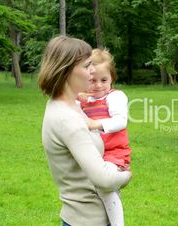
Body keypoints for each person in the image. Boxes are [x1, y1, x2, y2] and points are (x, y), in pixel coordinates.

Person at [38, 36, 131, 226]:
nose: (92, 70)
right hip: (87, 220)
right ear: (66, 70)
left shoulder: (69, 105)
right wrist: (127, 175)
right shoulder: (67, 118)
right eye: (87, 65)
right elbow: (104, 180)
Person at [78, 48, 132, 226]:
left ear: (112, 79)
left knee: (104, 185)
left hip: (113, 153)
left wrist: (95, 123)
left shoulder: (115, 97)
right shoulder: (84, 101)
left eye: (104, 80)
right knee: (96, 190)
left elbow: (121, 121)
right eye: (92, 80)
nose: (98, 85)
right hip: (93, 154)